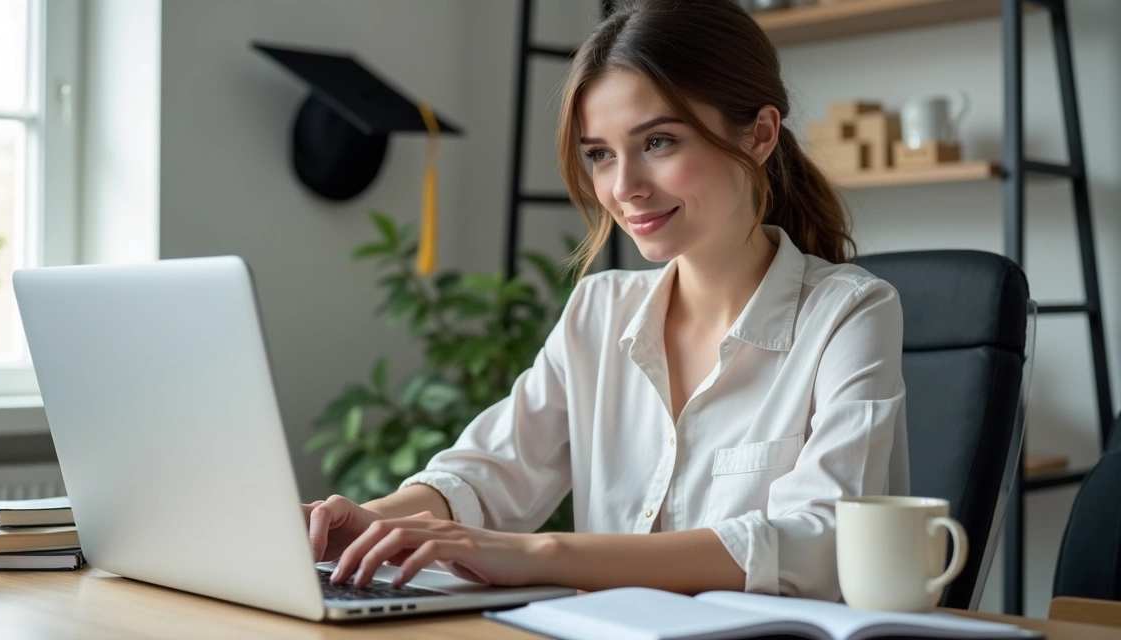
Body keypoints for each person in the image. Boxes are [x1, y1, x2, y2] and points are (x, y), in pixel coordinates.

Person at [303, 0, 908, 601]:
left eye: (660, 142)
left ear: (759, 135)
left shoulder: (849, 313)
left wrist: (543, 554)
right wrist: (371, 522)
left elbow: (820, 543)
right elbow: (488, 474)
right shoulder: (599, 311)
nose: (624, 189)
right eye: (600, 155)